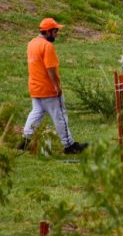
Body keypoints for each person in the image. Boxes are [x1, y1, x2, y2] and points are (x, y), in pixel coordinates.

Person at [19, 18, 88, 154]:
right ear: (48, 31)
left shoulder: (31, 43)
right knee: (60, 116)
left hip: (35, 87)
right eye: (55, 31)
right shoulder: (47, 46)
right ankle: (69, 145)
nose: (57, 34)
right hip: (48, 89)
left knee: (35, 113)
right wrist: (57, 86)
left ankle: (25, 141)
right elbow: (50, 69)